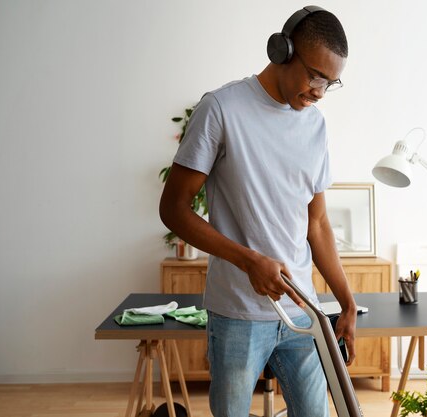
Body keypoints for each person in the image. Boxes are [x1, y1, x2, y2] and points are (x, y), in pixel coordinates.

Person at [159, 6, 356, 416]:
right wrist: (248, 260)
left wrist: (346, 303)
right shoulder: (221, 109)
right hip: (237, 313)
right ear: (281, 51)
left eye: (330, 82)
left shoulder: (315, 126)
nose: (319, 91)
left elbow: (316, 224)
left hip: (304, 310)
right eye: (315, 75)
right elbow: (173, 209)